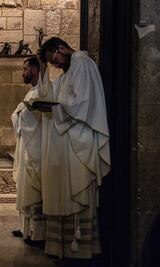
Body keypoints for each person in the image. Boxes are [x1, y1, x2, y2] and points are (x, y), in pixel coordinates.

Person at [37, 37, 110, 262]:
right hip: (68, 143)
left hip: (79, 143)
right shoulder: (69, 71)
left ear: (61, 49)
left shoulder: (82, 64)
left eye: (54, 59)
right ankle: (65, 247)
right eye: (51, 62)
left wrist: (55, 110)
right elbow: (51, 95)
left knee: (75, 191)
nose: (55, 64)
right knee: (63, 191)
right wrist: (42, 70)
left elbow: (81, 104)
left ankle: (78, 248)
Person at [11, 57, 46, 247]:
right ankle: (25, 227)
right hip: (26, 143)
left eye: (25, 69)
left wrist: (20, 115)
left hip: (35, 146)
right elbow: (21, 114)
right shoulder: (31, 92)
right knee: (24, 185)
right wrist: (19, 115)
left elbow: (33, 118)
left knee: (33, 187)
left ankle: (37, 232)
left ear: (34, 69)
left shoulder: (41, 91)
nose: (23, 72)